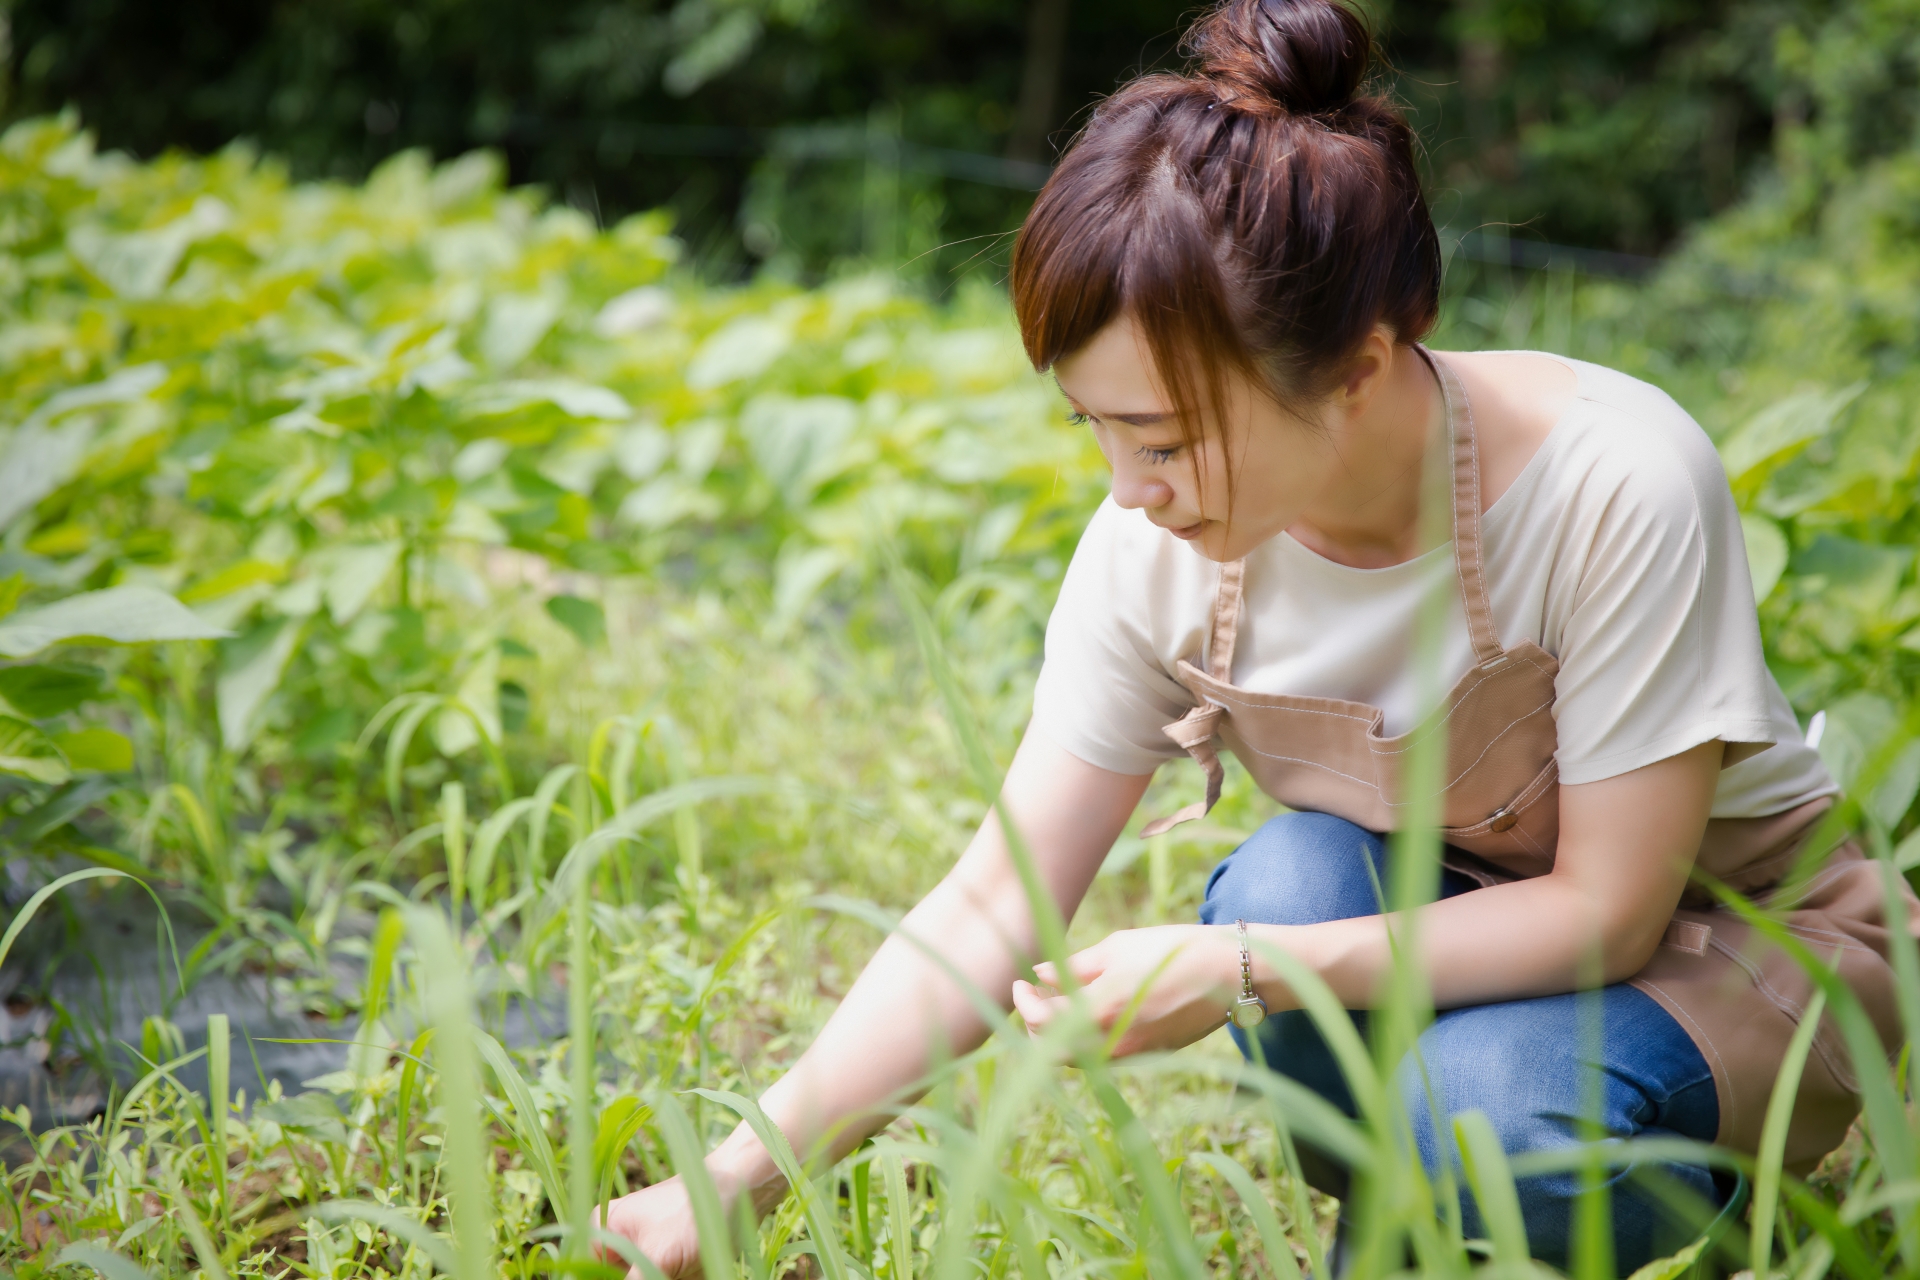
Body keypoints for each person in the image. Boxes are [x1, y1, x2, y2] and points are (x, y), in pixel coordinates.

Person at [606, 0, 1911, 1270]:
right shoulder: (1153, 550)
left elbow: (1609, 917)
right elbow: (997, 899)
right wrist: (734, 1181)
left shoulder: (1613, 483)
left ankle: (1702, 1209)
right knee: (1289, 885)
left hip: (1738, 946)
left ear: (1357, 369)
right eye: (1094, 429)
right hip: (1472, 930)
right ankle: (1403, 1235)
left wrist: (1243, 969)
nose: (1128, 491)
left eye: (1165, 440)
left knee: (1467, 1089)